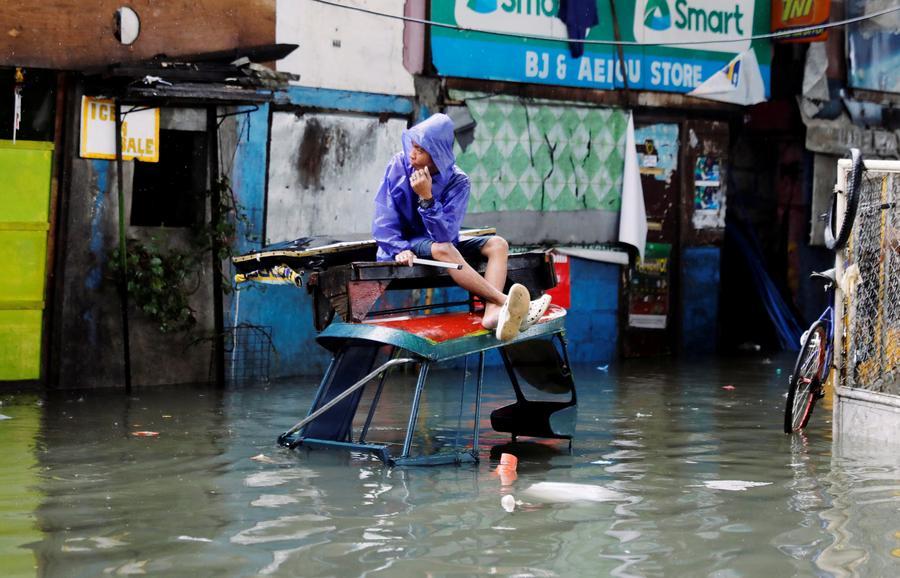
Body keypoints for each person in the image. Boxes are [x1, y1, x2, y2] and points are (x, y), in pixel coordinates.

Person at [372, 113, 550, 341]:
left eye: (420, 150)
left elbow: (446, 233)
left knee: (498, 245)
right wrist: (398, 248)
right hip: (409, 241)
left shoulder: (458, 181)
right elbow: (384, 215)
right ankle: (505, 301)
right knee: (444, 250)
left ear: (436, 155)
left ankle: (492, 313)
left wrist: (427, 199)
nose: (412, 154)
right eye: (412, 146)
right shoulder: (399, 165)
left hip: (441, 240)